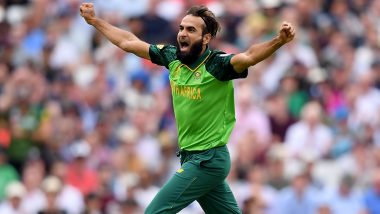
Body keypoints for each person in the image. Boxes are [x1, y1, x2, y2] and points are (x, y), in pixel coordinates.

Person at [80, 3, 295, 213]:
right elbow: (128, 41)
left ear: (206, 38)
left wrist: (278, 41)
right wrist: (94, 21)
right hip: (192, 157)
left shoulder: (216, 64)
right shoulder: (172, 56)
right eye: (182, 28)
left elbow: (248, 56)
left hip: (208, 159)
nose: (182, 33)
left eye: (191, 30)